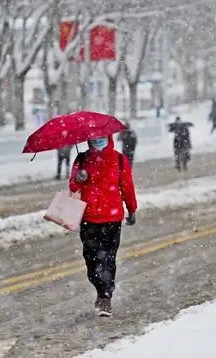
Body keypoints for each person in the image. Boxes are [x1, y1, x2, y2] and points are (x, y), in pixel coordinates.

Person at [69, 135, 137, 317]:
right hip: (88, 218)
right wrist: (80, 177)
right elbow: (73, 185)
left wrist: (132, 209)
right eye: (94, 138)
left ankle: (105, 296)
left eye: (101, 138)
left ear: (108, 137)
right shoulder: (81, 159)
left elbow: (127, 187)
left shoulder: (119, 160)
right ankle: (102, 288)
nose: (97, 141)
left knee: (108, 258)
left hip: (112, 218)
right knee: (91, 260)